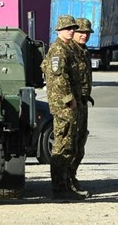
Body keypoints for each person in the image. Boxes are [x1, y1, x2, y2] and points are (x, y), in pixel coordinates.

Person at [40, 15, 87, 200]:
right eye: (68, 28)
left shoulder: (69, 48)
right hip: (63, 105)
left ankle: (67, 183)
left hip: (71, 103)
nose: (72, 31)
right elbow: (58, 78)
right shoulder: (58, 50)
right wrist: (69, 99)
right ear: (59, 30)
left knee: (72, 143)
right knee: (63, 145)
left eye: (73, 28)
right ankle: (60, 188)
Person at [71, 17, 94, 197]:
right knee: (68, 145)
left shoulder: (84, 52)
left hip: (82, 102)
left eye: (87, 33)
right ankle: (65, 182)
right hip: (71, 104)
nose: (84, 35)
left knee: (80, 145)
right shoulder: (68, 51)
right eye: (81, 32)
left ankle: (72, 178)